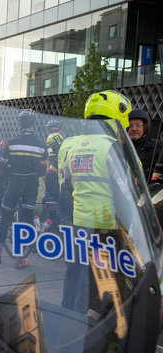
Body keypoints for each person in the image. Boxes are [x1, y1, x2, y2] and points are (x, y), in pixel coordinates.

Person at [60, 90, 135, 316]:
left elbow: (67, 189)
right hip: (107, 230)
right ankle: (103, 336)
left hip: (79, 226)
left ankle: (67, 321)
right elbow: (125, 196)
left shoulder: (73, 146)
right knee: (109, 286)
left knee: (75, 277)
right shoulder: (111, 146)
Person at [0, 110, 47, 268]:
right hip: (31, 187)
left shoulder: (11, 144)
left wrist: (3, 181)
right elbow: (43, 171)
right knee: (26, 221)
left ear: (20, 124)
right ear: (33, 124)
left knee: (5, 217)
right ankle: (20, 259)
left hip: (13, 184)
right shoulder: (42, 146)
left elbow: (3, 167)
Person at [126, 108, 162, 182]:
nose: (134, 129)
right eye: (130, 125)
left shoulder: (157, 147)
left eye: (138, 125)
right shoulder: (118, 147)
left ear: (145, 127)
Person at [42, 132, 64, 232]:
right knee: (53, 218)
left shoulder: (60, 155)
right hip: (54, 191)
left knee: (55, 218)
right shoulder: (59, 156)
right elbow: (49, 175)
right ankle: (43, 234)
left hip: (54, 189)